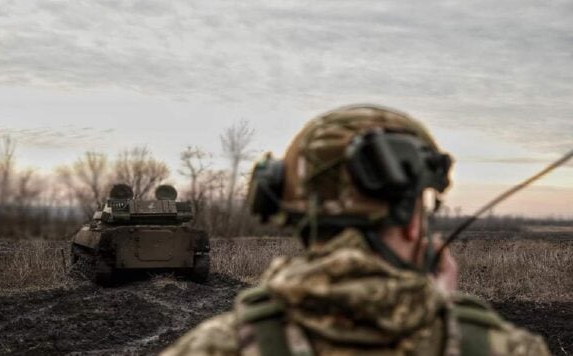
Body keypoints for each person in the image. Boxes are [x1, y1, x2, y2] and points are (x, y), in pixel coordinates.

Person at [160, 104, 550, 356]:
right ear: (415, 224)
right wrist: (436, 313)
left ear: (290, 214)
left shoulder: (211, 347)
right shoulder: (506, 348)